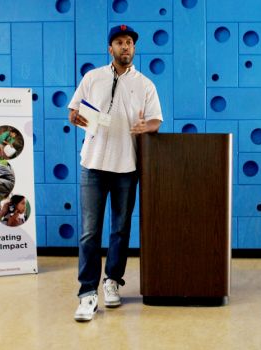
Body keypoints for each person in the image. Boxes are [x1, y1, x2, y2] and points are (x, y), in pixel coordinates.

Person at [68, 24, 163, 322]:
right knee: (89, 232)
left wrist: (144, 127)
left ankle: (112, 282)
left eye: (130, 42)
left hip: (127, 167)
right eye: (120, 42)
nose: (125, 47)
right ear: (110, 48)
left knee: (120, 229)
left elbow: (155, 121)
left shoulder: (146, 84)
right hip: (93, 165)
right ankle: (87, 293)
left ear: (134, 48)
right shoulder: (92, 77)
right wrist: (75, 116)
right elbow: (73, 112)